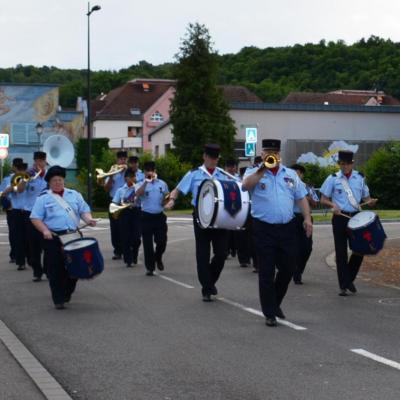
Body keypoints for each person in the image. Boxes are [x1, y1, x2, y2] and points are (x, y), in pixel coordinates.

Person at [242, 139, 312, 327]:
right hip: (263, 228)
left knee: (289, 267)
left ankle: (274, 303)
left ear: (280, 154)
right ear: (263, 154)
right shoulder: (254, 172)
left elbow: (301, 197)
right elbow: (245, 186)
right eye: (268, 152)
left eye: (275, 152)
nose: (272, 155)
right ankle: (269, 313)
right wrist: (262, 169)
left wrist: (307, 218)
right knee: (266, 270)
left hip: (286, 227)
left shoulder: (290, 174)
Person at [165, 143, 229, 302]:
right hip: (201, 216)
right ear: (204, 157)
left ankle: (210, 281)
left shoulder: (223, 175)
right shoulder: (194, 174)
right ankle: (207, 288)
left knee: (222, 253)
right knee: (203, 253)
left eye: (216, 158)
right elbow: (178, 189)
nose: (213, 161)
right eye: (210, 157)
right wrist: (172, 200)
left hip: (220, 217)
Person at [30, 166, 96, 309]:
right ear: (49, 182)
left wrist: (88, 219)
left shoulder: (74, 195)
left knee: (77, 267)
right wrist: (45, 230)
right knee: (56, 268)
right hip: (53, 237)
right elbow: (35, 218)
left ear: (63, 180)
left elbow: (84, 211)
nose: (58, 182)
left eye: (60, 180)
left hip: (73, 235)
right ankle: (58, 298)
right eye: (54, 180)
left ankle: (67, 291)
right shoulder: (43, 198)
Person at [320, 150, 377, 296]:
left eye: (347, 164)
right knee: (341, 253)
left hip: (356, 218)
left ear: (352, 164)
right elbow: (323, 198)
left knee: (360, 249)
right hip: (340, 218)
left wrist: (370, 202)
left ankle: (348, 279)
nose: (344, 167)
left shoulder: (360, 178)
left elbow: (366, 198)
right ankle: (343, 286)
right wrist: (333, 205)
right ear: (339, 164)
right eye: (342, 164)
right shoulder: (332, 178)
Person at [135, 161, 169, 276]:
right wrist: (146, 182)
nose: (150, 173)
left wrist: (166, 201)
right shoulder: (140, 183)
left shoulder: (162, 184)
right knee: (148, 244)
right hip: (146, 216)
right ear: (144, 172)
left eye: (152, 170)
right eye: (147, 171)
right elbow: (138, 194)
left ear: (155, 171)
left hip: (159, 216)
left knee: (162, 241)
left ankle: (158, 257)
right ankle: (150, 267)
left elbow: (167, 197)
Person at [289, 164, 319, 284]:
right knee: (294, 247)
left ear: (301, 174)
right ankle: (295, 273)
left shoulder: (308, 187)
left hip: (305, 217)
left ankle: (299, 269)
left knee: (307, 247)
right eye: (293, 173)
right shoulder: (287, 186)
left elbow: (315, 203)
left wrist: (306, 196)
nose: (295, 175)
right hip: (292, 218)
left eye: (298, 173)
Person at [21, 151, 48, 281]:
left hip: (45, 214)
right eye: (37, 161)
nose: (39, 163)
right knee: (32, 245)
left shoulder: (49, 175)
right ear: (34, 161)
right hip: (30, 213)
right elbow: (19, 189)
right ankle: (37, 269)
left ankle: (48, 270)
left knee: (47, 244)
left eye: (41, 161)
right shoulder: (28, 174)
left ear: (45, 162)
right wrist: (25, 178)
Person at [111, 169, 141, 268]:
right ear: (126, 178)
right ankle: (128, 260)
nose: (133, 179)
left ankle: (134, 255)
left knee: (136, 238)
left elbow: (142, 201)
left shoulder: (138, 189)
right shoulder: (120, 190)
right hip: (124, 214)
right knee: (125, 237)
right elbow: (115, 203)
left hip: (136, 213)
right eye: (130, 177)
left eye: (134, 177)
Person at [102, 151, 127, 260]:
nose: (122, 161)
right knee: (115, 227)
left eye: (124, 159)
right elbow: (106, 189)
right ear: (117, 161)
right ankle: (117, 250)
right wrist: (111, 177)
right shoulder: (112, 172)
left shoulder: (130, 172)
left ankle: (127, 249)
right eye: (120, 159)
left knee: (127, 227)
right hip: (114, 202)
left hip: (127, 202)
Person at [5, 162, 29, 271]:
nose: (23, 174)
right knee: (18, 237)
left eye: (24, 171)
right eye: (21, 172)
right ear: (17, 171)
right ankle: (21, 262)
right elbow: (7, 192)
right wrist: (13, 187)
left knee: (29, 237)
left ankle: (31, 258)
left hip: (29, 211)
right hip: (16, 211)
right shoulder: (13, 179)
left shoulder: (30, 179)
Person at [0, 157, 23, 263]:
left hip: (26, 209)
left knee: (23, 233)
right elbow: (2, 193)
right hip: (12, 209)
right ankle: (14, 254)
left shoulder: (27, 177)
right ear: (13, 167)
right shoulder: (7, 179)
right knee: (14, 233)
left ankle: (23, 253)